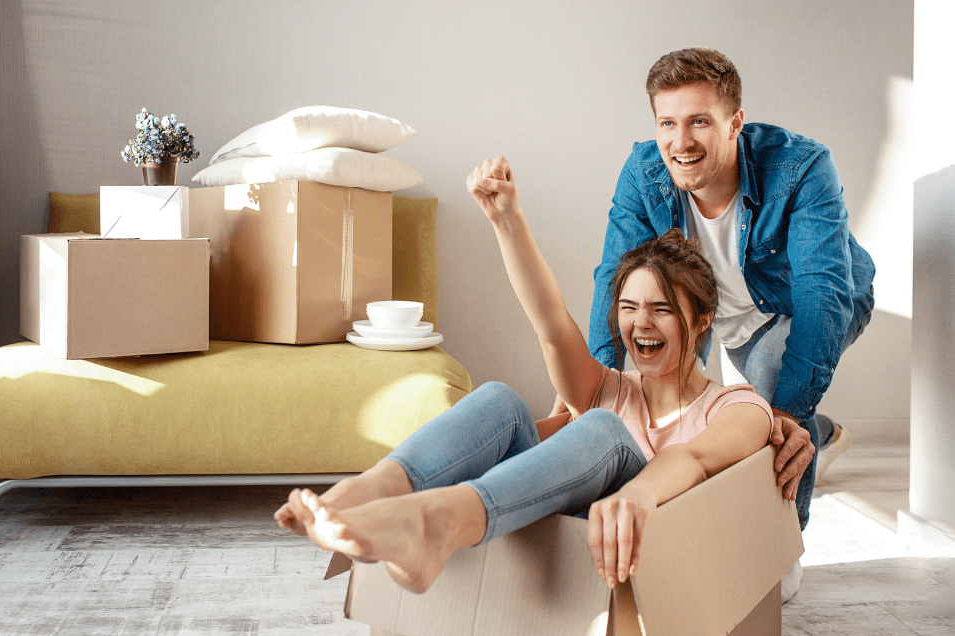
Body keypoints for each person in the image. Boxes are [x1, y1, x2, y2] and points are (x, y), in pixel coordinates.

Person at [274, 157, 772, 595]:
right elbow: (551, 321)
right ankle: (373, 490)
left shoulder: (738, 408)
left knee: (600, 428)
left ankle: (439, 524)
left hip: (630, 558)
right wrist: (507, 219)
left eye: (661, 309)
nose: (640, 323)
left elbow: (694, 455)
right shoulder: (606, 388)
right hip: (541, 527)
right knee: (500, 400)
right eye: (628, 307)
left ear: (704, 319)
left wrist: (637, 492)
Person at [584, 47, 875, 541]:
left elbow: (820, 293)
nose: (681, 141)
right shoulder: (644, 173)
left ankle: (782, 545)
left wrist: (779, 418)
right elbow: (616, 278)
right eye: (667, 123)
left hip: (802, 303)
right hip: (711, 312)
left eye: (699, 121)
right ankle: (821, 431)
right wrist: (595, 388)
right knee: (686, 404)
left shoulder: (802, 167)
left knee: (769, 389)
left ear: (735, 121)